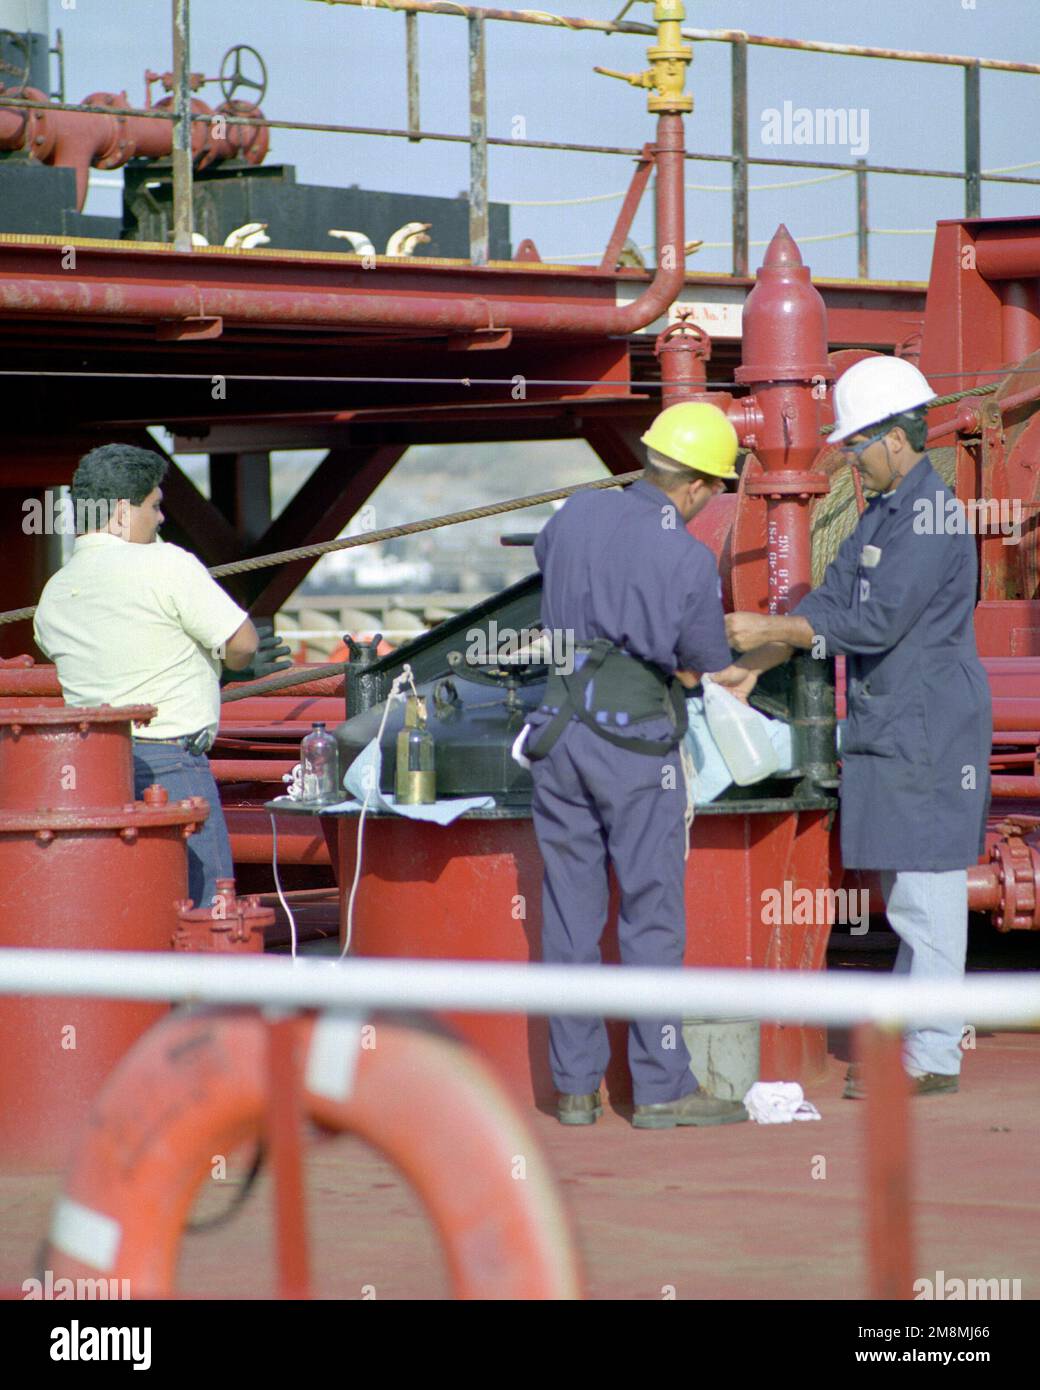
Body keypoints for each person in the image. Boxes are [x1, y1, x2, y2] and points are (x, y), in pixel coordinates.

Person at [724, 357, 992, 1098]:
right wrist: (761, 659)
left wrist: (769, 629)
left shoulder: (931, 518)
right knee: (909, 886)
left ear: (896, 439)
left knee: (927, 893)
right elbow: (833, 596)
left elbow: (875, 619)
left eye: (856, 445)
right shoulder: (885, 510)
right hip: (898, 720)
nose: (850, 458)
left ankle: (931, 1058)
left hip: (928, 724)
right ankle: (919, 1047)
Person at [520, 402, 757, 1129]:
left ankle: (575, 1089)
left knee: (569, 916)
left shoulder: (575, 515)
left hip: (555, 738)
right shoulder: (687, 558)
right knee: (650, 917)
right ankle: (659, 1090)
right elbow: (703, 664)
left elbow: (547, 566)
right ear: (695, 487)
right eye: (714, 490)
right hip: (634, 748)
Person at [34, 443, 292, 911]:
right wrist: (227, 668)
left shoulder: (55, 591)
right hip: (173, 764)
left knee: (132, 908)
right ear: (119, 512)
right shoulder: (166, 563)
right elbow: (244, 643)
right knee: (207, 907)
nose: (160, 519)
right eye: (153, 506)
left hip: (91, 772)